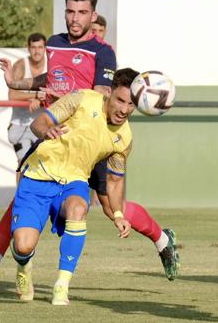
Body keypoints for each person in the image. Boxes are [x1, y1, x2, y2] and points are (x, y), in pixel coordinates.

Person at [0, 0, 179, 291]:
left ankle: (163, 240)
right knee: (23, 198)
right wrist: (20, 82)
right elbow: (51, 77)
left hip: (90, 141)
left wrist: (62, 96)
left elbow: (101, 94)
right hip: (56, 137)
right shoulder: (54, 42)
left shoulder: (102, 52)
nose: (74, 18)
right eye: (70, 11)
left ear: (93, 15)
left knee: (112, 208)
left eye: (82, 12)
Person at [10, 68, 136, 305]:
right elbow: (40, 122)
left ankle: (62, 285)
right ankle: (23, 269)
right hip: (39, 176)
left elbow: (114, 181)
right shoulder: (82, 99)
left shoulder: (125, 137)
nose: (124, 109)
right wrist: (47, 131)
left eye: (131, 105)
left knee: (79, 208)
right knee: (23, 246)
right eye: (120, 100)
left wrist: (118, 214)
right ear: (109, 93)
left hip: (74, 181)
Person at [7, 33, 47, 172]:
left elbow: (59, 92)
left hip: (44, 124)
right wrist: (34, 95)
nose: (37, 51)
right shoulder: (20, 65)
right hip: (20, 124)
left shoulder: (52, 65)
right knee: (23, 165)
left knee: (44, 169)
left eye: (40, 47)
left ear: (45, 48)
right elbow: (12, 94)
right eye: (33, 47)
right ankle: (20, 194)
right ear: (28, 48)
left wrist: (39, 99)